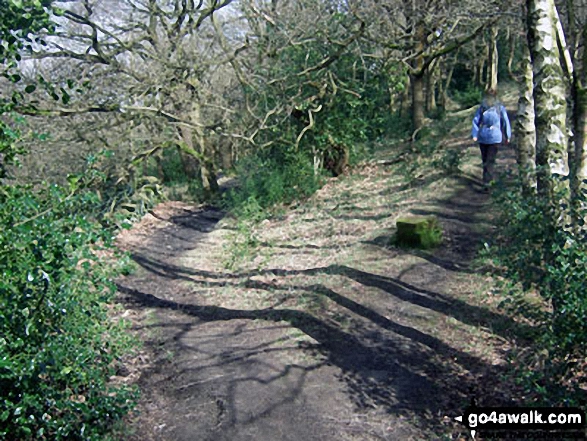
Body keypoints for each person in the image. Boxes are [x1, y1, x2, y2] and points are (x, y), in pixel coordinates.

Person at [471, 88, 511, 190]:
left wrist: (507, 135)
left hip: (495, 138)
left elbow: (505, 122)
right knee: (485, 160)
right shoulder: (482, 108)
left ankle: (488, 184)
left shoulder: (499, 108)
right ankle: (487, 180)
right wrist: (474, 134)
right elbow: (476, 121)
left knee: (490, 160)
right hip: (483, 137)